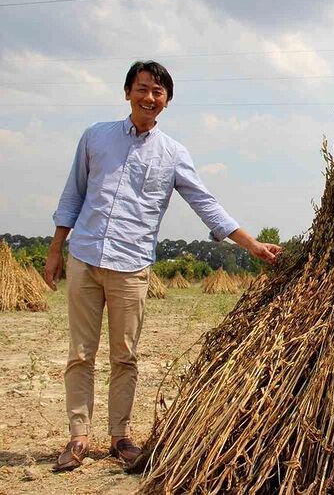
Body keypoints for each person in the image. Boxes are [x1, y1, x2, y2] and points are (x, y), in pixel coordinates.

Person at [44, 61, 282, 472]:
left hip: (132, 265)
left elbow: (204, 203)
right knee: (80, 354)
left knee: (125, 355)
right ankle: (78, 438)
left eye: (158, 91)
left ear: (167, 102)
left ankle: (120, 436)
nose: (149, 97)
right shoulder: (95, 137)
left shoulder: (173, 154)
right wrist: (55, 250)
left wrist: (250, 244)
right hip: (85, 256)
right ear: (127, 92)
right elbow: (73, 195)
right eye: (142, 88)